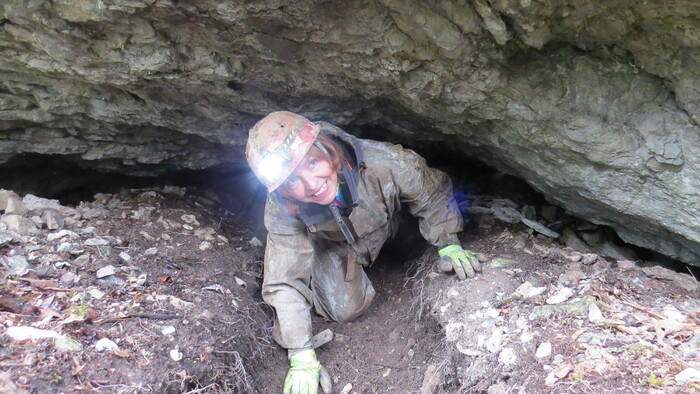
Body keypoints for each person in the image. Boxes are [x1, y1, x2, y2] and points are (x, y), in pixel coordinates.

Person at [245, 111, 481, 394]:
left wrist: (448, 241)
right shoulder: (282, 207)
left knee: (410, 239)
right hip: (336, 248)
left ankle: (407, 242)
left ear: (327, 149)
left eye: (312, 162)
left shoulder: (385, 162)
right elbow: (283, 279)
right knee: (346, 309)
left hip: (388, 228)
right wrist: (300, 353)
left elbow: (432, 193)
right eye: (293, 181)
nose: (311, 185)